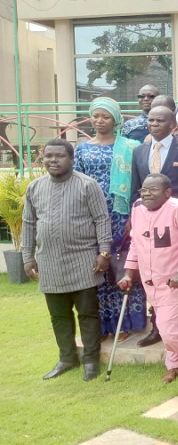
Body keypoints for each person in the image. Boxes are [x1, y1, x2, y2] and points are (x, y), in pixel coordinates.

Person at [23, 139, 111, 382]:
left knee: (88, 313)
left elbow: (102, 219)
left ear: (71, 159)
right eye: (48, 156)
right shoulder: (34, 188)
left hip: (83, 260)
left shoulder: (87, 185)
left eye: (59, 156)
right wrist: (27, 257)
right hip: (48, 262)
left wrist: (104, 252)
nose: (53, 160)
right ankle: (67, 358)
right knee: (58, 315)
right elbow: (29, 224)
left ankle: (91, 360)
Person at [117, 173, 178, 383]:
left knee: (169, 331)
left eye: (153, 190)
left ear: (167, 192)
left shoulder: (177, 208)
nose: (147, 194)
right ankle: (174, 364)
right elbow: (136, 243)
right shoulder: (137, 208)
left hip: (174, 283)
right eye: (144, 190)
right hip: (151, 283)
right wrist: (129, 272)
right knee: (168, 328)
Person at [74, 97, 147, 341]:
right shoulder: (82, 148)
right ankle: (104, 326)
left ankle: (127, 322)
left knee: (124, 265)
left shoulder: (131, 146)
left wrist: (133, 215)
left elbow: (139, 183)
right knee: (98, 268)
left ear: (115, 119)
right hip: (92, 216)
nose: (99, 120)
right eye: (95, 116)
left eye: (105, 116)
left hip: (121, 214)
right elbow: (77, 183)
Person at [131, 106, 178, 206]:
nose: (154, 124)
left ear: (172, 124)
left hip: (177, 214)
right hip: (147, 214)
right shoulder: (138, 151)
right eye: (151, 120)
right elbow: (135, 188)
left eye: (160, 120)